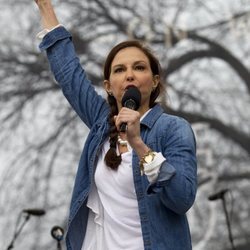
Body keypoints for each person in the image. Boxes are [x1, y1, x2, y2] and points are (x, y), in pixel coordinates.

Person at [34, 1, 197, 250]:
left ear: (154, 82)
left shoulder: (173, 129)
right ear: (109, 86)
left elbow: (182, 199)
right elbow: (69, 74)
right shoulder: (102, 123)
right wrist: (46, 8)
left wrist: (139, 146)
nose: (129, 75)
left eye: (139, 67)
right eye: (120, 70)